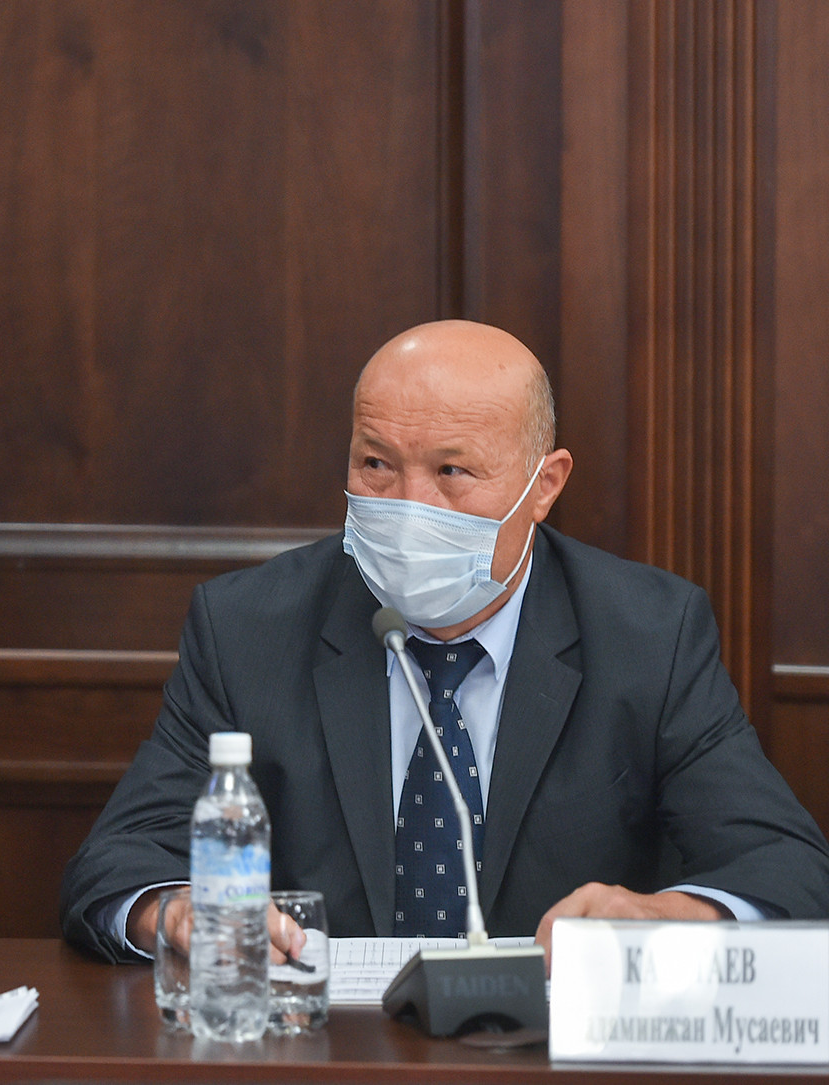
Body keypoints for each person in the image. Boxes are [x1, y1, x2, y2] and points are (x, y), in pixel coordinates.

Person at [61, 319, 829, 964]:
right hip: (323, 1054)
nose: (408, 506)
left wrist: (666, 919)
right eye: (376, 464)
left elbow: (788, 866)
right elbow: (117, 864)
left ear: (545, 485)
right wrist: (179, 912)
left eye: (452, 470)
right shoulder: (248, 626)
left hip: (547, 1060)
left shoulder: (649, 634)